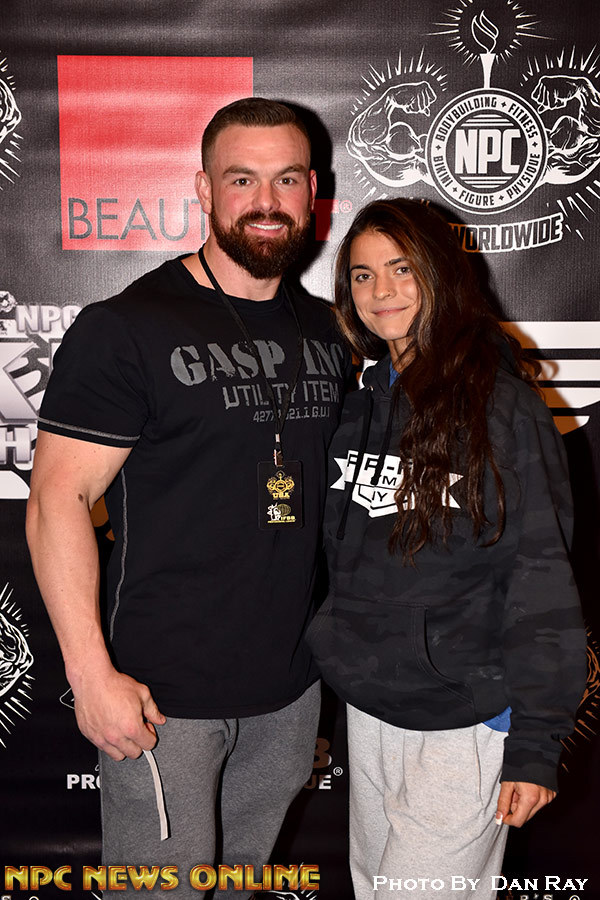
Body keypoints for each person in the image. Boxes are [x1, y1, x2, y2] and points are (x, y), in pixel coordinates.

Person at [26, 97, 350, 897]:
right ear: (204, 190)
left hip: (290, 690)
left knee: (240, 887)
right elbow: (57, 501)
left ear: (313, 192)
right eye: (242, 180)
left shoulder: (330, 332)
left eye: (286, 180)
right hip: (161, 696)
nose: (266, 201)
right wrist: (90, 675)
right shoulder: (128, 327)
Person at [307, 199, 586, 900]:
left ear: (440, 275)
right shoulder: (360, 404)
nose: (381, 291)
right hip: (372, 709)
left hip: (466, 713)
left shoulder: (503, 408)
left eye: (402, 269)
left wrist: (535, 743)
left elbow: (540, 578)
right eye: (363, 275)